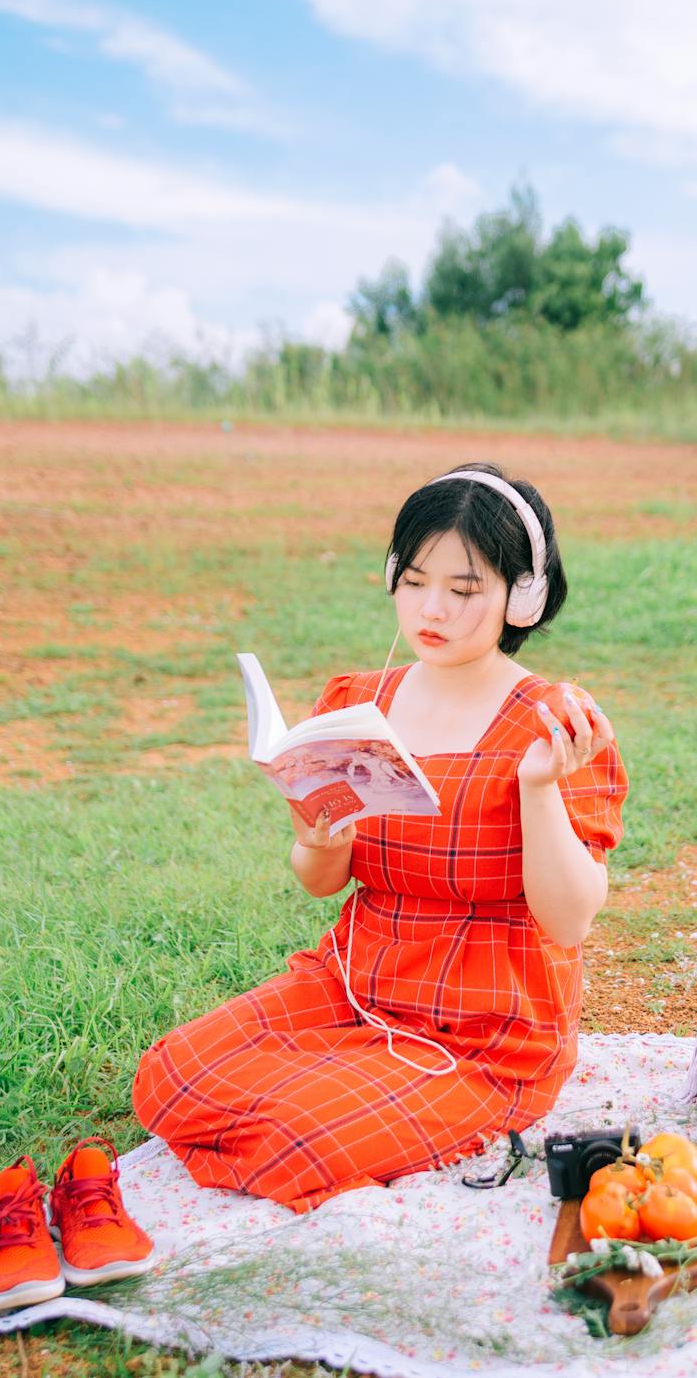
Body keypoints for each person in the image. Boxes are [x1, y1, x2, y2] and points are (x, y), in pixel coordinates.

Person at [132, 462, 629, 1213]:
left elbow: (569, 919)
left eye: (464, 591)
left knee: (301, 1140)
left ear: (521, 598)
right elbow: (323, 878)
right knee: (168, 1073)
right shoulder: (357, 701)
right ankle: (328, 1086)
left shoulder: (553, 725)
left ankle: (325, 1102)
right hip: (354, 983)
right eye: (415, 580)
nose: (433, 609)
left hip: (486, 1031)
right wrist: (318, 830)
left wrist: (535, 786)